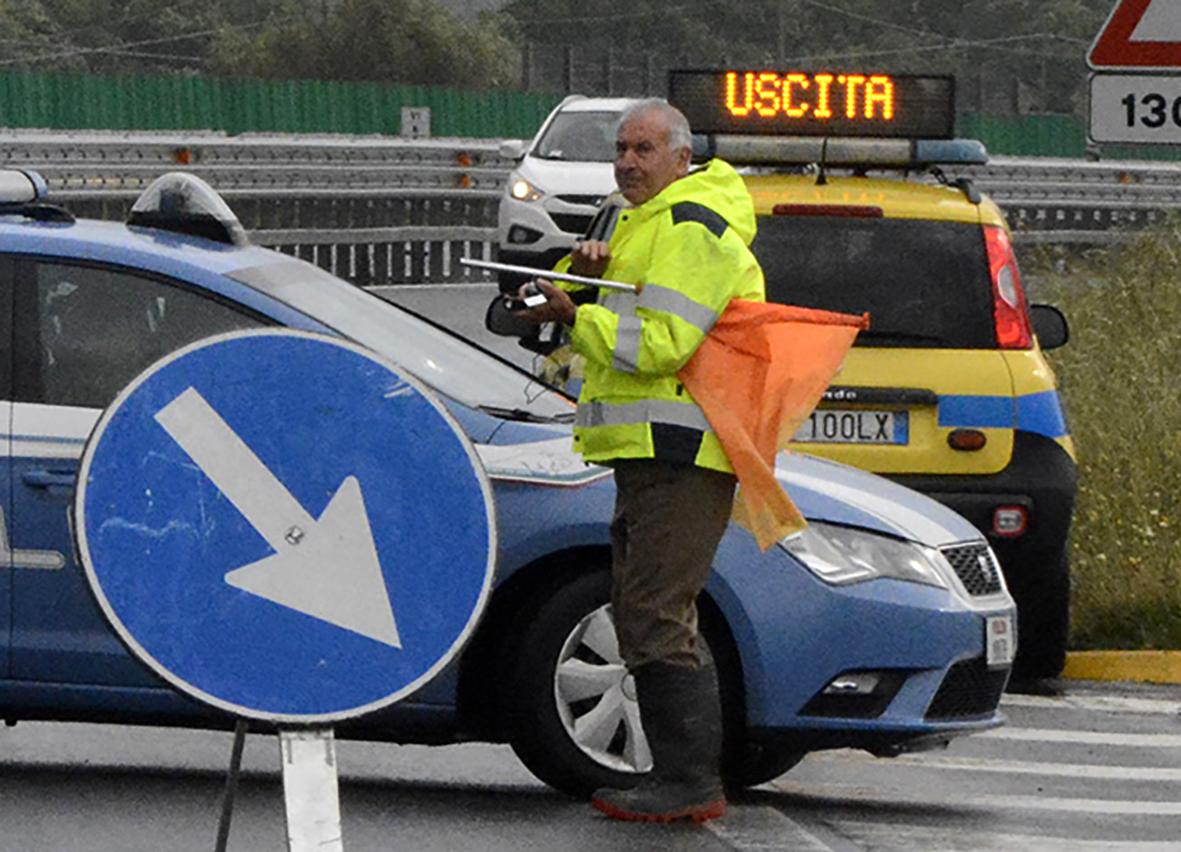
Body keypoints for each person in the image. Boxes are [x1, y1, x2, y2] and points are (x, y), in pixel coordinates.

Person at [514, 98, 765, 823]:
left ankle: (688, 782)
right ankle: (682, 777)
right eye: (621, 148)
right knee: (642, 612)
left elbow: (660, 345)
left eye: (644, 149)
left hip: (681, 450)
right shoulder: (640, 223)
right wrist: (576, 285)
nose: (627, 161)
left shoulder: (692, 228)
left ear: (681, 158)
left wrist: (576, 314)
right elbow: (622, 317)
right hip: (647, 450)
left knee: (655, 613)